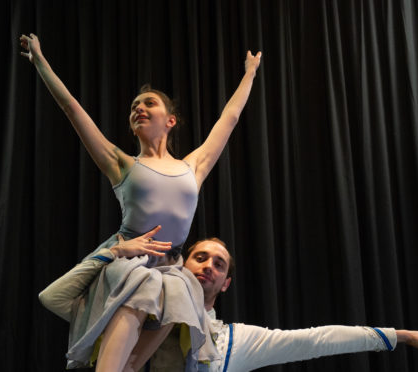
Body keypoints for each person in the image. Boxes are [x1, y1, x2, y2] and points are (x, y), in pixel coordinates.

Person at [19, 32, 262, 371]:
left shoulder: (192, 166)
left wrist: (250, 73)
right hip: (132, 264)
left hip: (173, 271)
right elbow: (72, 109)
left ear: (170, 120)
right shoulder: (123, 164)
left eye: (149, 104)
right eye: (134, 107)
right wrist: (41, 63)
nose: (139, 109)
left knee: (134, 363)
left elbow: (230, 118)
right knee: (112, 362)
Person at [40, 234, 418, 372]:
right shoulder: (127, 309)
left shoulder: (227, 345)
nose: (207, 266)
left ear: (225, 283)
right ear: (181, 265)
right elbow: (53, 297)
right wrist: (112, 253)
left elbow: (315, 340)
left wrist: (400, 335)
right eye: (199, 257)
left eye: (218, 264)